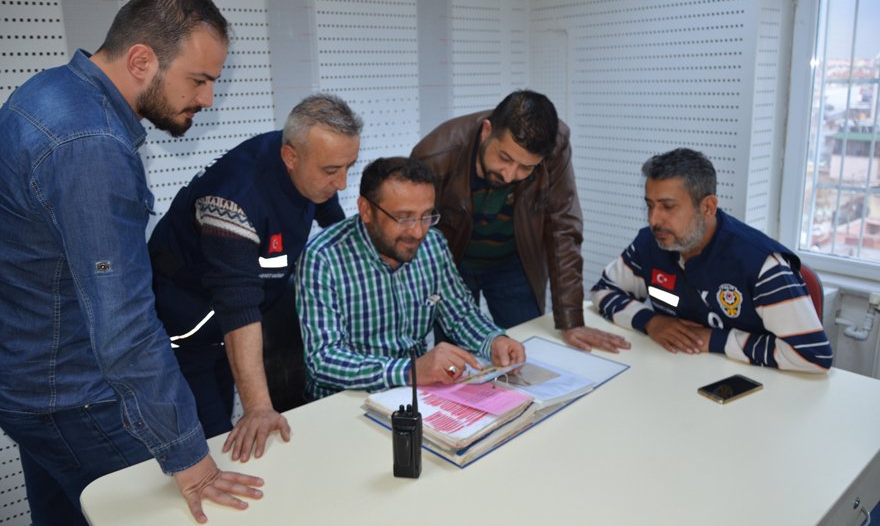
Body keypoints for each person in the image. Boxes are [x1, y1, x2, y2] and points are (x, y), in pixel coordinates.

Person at [0, 0, 264, 525]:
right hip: (75, 397)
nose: (207, 99)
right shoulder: (90, 146)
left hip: (31, 381)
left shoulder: (48, 93)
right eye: (199, 79)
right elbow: (123, 323)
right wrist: (190, 460)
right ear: (142, 60)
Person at [149, 93, 361, 460]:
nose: (341, 183)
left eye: (348, 166)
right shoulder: (232, 200)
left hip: (232, 322)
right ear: (290, 157)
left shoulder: (310, 160)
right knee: (210, 441)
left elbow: (331, 217)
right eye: (332, 171)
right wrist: (259, 406)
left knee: (230, 423)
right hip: (185, 329)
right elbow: (238, 305)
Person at [411, 90, 630, 353]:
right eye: (504, 158)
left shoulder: (555, 144)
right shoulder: (435, 155)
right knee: (458, 359)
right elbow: (415, 236)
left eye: (526, 168)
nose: (509, 175)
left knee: (527, 349)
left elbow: (562, 227)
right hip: (452, 266)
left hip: (513, 262)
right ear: (486, 131)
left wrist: (571, 320)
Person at [295, 157, 526, 400]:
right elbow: (323, 360)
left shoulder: (433, 244)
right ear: (366, 210)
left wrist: (494, 340)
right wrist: (409, 371)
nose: (418, 232)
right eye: (404, 218)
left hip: (418, 392)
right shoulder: (323, 258)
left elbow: (460, 314)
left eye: (426, 216)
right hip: (347, 400)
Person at [591, 148, 833, 372]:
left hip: (752, 384)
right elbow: (603, 291)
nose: (654, 220)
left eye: (668, 207)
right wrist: (651, 321)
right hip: (677, 374)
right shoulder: (650, 243)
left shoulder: (761, 263)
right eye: (650, 206)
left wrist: (715, 340)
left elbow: (813, 355)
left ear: (707, 207)